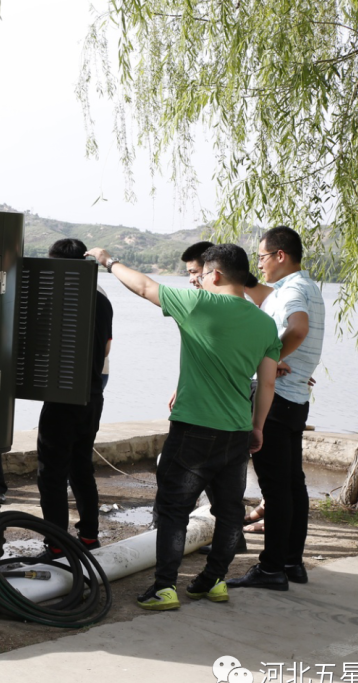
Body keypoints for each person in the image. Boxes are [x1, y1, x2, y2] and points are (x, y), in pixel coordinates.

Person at [85, 243, 281, 611]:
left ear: (216, 275)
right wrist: (257, 427)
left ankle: (165, 587)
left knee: (174, 509)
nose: (199, 281)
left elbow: (144, 287)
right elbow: (267, 384)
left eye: (202, 274)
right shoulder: (265, 322)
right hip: (237, 431)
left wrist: (107, 261)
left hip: (193, 429)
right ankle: (215, 581)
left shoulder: (198, 304)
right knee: (228, 510)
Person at [228, 226, 325, 591]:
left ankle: (270, 569)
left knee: (276, 487)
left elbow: (297, 328)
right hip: (296, 398)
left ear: (280, 255)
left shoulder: (291, 290)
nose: (261, 264)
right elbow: (269, 299)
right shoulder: (308, 286)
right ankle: (291, 563)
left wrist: (268, 359)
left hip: (277, 397)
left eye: (263, 257)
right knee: (292, 483)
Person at [31, 239, 113, 560]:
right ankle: (89, 537)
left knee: (50, 473)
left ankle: (56, 544)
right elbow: (106, 348)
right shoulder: (102, 300)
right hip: (93, 396)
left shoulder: (56, 298)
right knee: (81, 468)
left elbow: (35, 345)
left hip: (62, 398)